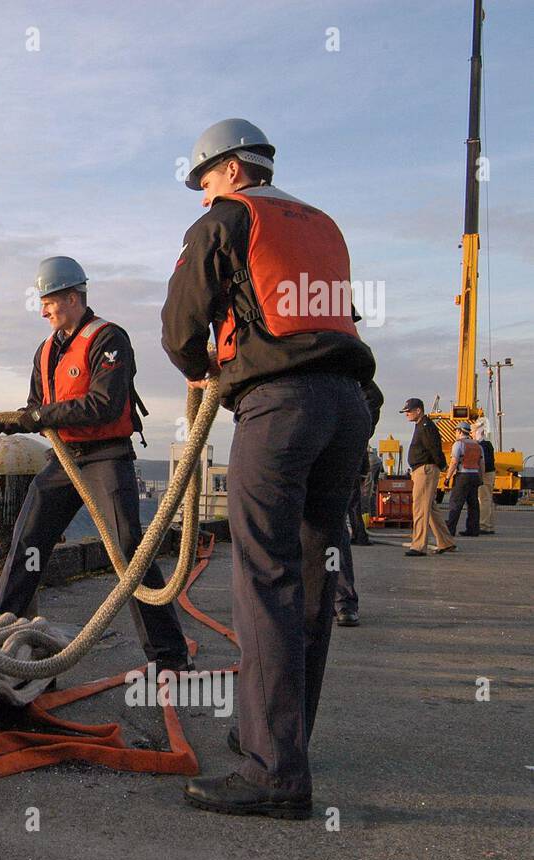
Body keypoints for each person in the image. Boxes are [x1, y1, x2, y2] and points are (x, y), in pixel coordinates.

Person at [161, 119, 375, 819]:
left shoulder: (227, 221)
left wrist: (206, 377)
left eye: (204, 181)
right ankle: (279, 740)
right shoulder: (321, 224)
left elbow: (181, 327)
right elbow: (340, 317)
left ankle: (275, 772)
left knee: (264, 580)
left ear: (229, 170)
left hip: (280, 408)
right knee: (314, 581)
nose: (202, 196)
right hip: (348, 405)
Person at [0, 255, 189, 675]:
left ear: (73, 297)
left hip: (106, 457)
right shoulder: (46, 351)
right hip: (65, 460)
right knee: (28, 543)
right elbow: (39, 408)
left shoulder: (108, 339)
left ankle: (169, 657)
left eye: (49, 301)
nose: (43, 310)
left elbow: (104, 405)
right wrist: (13, 420)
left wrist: (39, 417)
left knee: (129, 552)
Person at [333, 384, 384, 627]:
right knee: (332, 538)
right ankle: (339, 600)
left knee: (332, 537)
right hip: (336, 463)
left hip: (329, 465)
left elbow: (373, 397)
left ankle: (339, 599)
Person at [402, 398, 454, 556]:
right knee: (430, 508)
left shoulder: (425, 426)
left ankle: (418, 545)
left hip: (425, 470)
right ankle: (446, 542)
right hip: (423, 469)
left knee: (420, 509)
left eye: (409, 411)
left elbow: (434, 447)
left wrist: (441, 464)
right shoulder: (422, 425)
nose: (407, 414)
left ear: (419, 410)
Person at [445, 421, 483, 537]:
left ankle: (450, 529)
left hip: (463, 475)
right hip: (475, 476)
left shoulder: (458, 444)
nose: (455, 433)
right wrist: (481, 478)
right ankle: (473, 529)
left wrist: (448, 477)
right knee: (473, 504)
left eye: (456, 431)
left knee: (456, 503)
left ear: (460, 431)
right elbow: (482, 463)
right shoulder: (478, 445)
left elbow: (454, 461)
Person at [474, 417, 497, 534]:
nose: (472, 434)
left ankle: (484, 525)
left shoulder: (482, 445)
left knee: (483, 499)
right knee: (488, 499)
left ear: (479, 432)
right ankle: (489, 525)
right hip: (490, 473)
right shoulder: (488, 445)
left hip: (485, 474)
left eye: (474, 431)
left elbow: (484, 462)